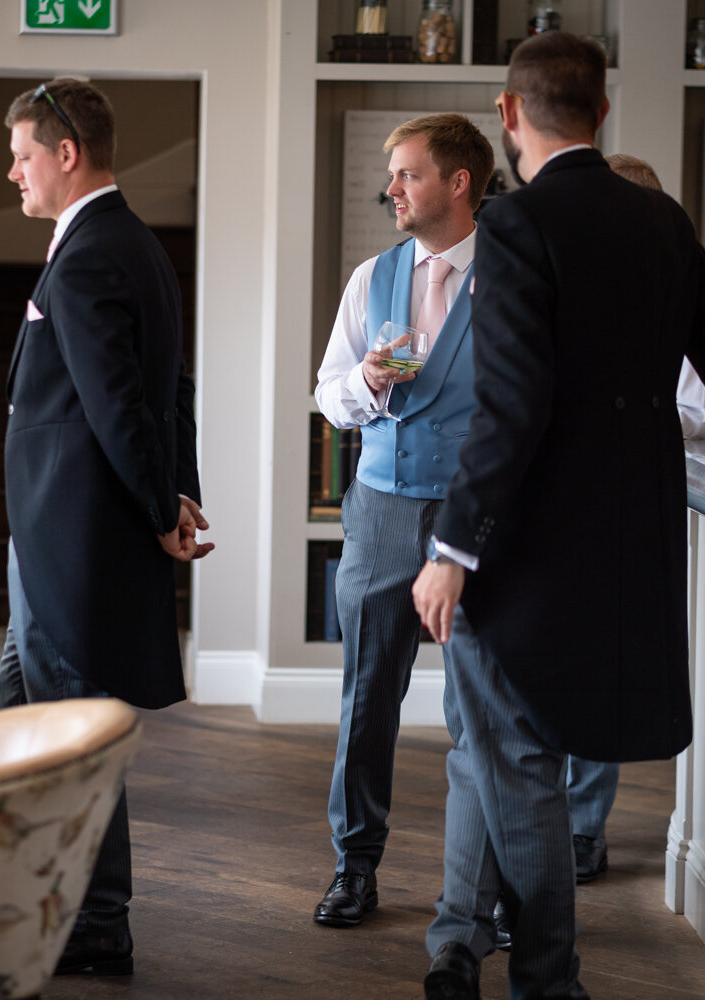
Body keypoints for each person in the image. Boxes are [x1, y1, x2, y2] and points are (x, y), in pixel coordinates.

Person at [410, 32, 705, 1000]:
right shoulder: (657, 219)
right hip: (630, 541)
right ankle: (504, 956)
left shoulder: (512, 224)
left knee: (517, 759)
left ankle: (546, 977)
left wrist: (453, 546)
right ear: (603, 111)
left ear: (508, 113)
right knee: (532, 756)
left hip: (526, 548)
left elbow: (510, 402)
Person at [0, 76, 213, 977]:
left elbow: (124, 406)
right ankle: (18, 886)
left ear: (66, 153)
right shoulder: (132, 243)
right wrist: (180, 490)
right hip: (56, 529)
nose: (13, 174)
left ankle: (95, 919)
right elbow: (174, 390)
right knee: (16, 703)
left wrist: (165, 503)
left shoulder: (89, 256)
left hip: (72, 533)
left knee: (70, 723)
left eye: (21, 157)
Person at [311, 113, 496, 929]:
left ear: (457, 184)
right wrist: (370, 382)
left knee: (483, 705)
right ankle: (354, 864)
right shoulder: (370, 277)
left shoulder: (517, 279)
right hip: (381, 507)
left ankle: (484, 889)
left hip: (478, 516)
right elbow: (329, 395)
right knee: (365, 694)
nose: (391, 188)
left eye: (407, 174)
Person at [563, 153, 705, 888]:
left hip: (627, 510)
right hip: (551, 513)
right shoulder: (555, 290)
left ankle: (584, 828)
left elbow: (697, 408)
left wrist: (629, 407)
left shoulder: (675, 300)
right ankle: (534, 827)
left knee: (599, 676)